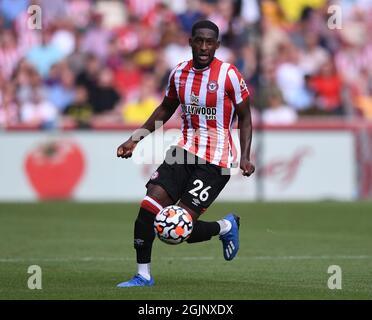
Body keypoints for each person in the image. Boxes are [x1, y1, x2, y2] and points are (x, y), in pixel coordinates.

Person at [116, 20, 255, 287]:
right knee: (148, 209)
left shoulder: (229, 75)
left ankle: (226, 227)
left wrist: (246, 156)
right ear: (190, 41)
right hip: (183, 152)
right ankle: (142, 275)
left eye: (209, 42)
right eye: (199, 41)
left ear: (217, 45)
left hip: (217, 161)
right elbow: (165, 109)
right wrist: (135, 140)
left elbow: (245, 118)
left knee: (178, 229)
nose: (204, 47)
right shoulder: (179, 73)